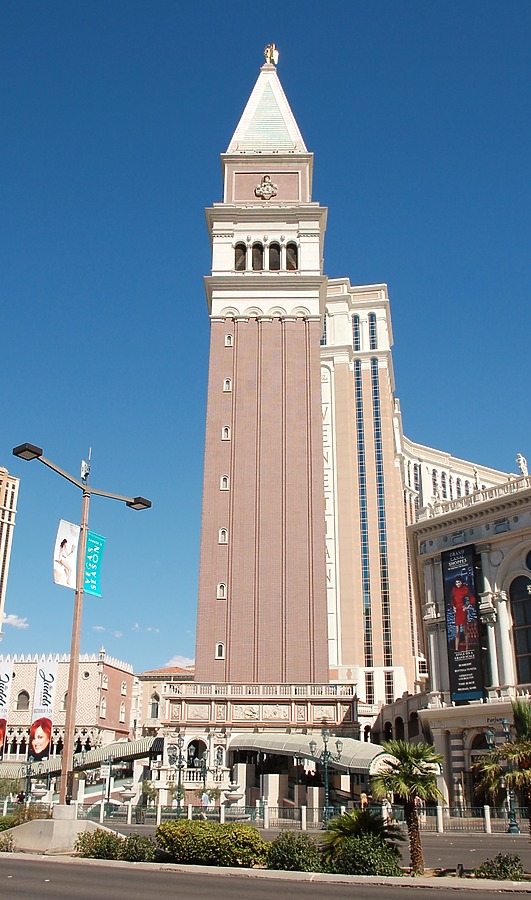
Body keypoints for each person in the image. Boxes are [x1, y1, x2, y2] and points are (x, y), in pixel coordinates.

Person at [450, 578, 476, 651]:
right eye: (456, 583)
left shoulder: (465, 589)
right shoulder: (454, 590)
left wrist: (467, 606)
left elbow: (471, 597)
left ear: (461, 582)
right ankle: (456, 648)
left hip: (462, 609)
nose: (457, 584)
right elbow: (452, 600)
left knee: (465, 631)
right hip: (457, 611)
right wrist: (453, 607)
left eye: (459, 582)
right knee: (457, 632)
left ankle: (467, 647)